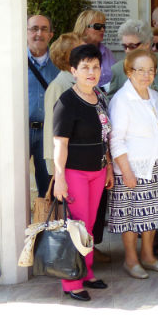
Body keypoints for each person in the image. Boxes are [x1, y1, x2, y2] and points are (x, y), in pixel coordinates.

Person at [52, 44, 114, 302]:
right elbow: (60, 144)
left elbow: (104, 136)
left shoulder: (99, 97)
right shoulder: (67, 101)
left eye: (95, 67)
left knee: (88, 227)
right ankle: (71, 281)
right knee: (76, 227)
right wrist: (60, 178)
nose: (91, 72)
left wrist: (108, 166)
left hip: (98, 172)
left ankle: (86, 271)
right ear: (73, 70)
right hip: (75, 173)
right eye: (85, 67)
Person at [109, 49, 158, 279]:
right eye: (141, 70)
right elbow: (116, 139)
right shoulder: (121, 100)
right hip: (133, 167)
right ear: (129, 71)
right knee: (130, 217)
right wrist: (126, 172)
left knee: (153, 214)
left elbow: (157, 128)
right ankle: (131, 260)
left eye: (151, 70)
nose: (146, 75)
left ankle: (148, 256)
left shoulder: (156, 97)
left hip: (157, 164)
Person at [27, 14, 59, 198]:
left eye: (44, 29)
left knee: (48, 188)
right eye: (34, 29)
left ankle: (47, 226)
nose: (39, 33)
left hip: (48, 133)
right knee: (13, 184)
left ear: (51, 35)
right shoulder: (14, 63)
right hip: (21, 132)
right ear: (26, 33)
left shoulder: (59, 65)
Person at [43, 32, 82, 173]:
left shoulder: (83, 81)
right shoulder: (58, 86)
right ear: (68, 57)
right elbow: (51, 128)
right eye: (81, 50)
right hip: (68, 165)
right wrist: (55, 169)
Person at [73, 10, 114, 88]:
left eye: (103, 26)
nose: (102, 30)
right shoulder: (74, 53)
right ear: (84, 28)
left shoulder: (107, 52)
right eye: (97, 26)